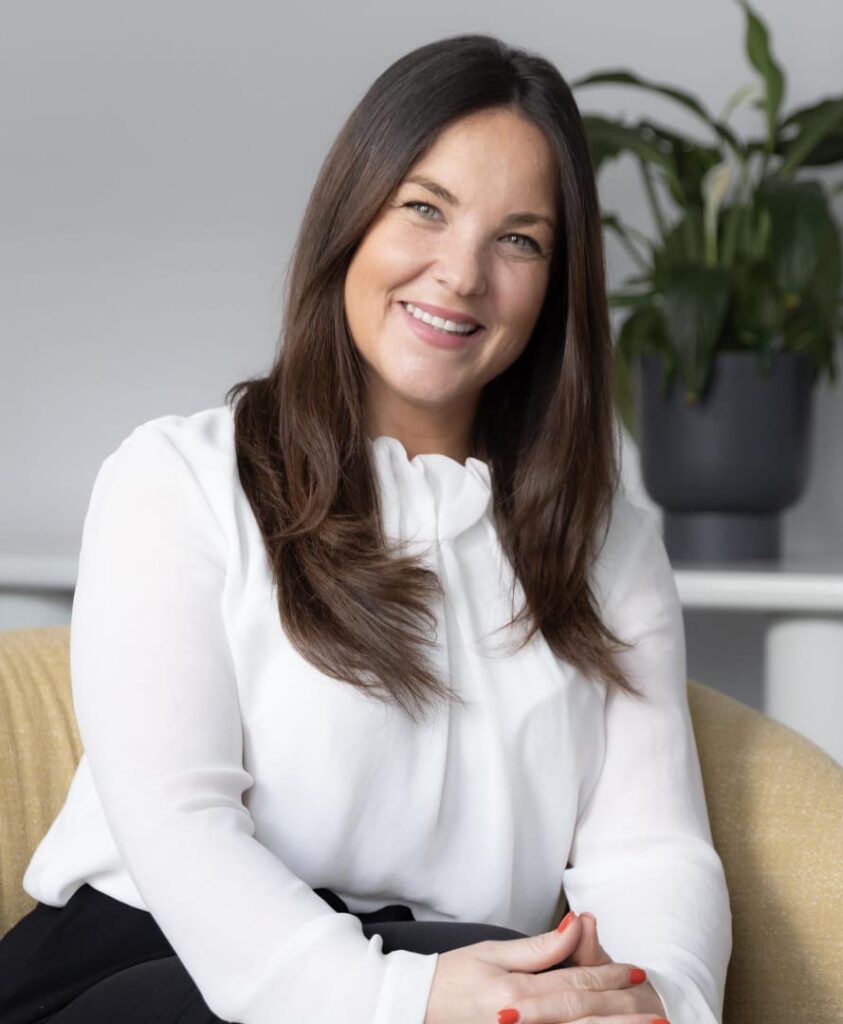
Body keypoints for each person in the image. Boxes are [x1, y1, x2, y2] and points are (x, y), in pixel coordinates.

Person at [0, 33, 732, 1024]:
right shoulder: (177, 479)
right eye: (423, 209)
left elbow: (650, 852)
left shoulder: (608, 548)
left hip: (465, 979)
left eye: (518, 240)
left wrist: (657, 1007)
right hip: (151, 972)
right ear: (353, 217)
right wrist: (402, 996)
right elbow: (181, 826)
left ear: (557, 287)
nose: (461, 274)